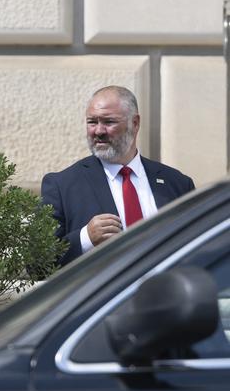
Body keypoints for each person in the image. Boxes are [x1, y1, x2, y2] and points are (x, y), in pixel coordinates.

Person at [41, 85, 195, 267]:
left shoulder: (177, 184)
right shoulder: (62, 185)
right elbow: (38, 264)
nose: (98, 131)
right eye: (92, 122)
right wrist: (86, 238)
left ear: (135, 123)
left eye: (108, 122)